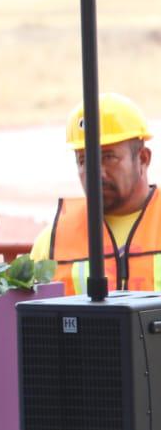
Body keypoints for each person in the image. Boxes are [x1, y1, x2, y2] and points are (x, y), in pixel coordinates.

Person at [29, 93, 161, 294]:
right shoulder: (51, 243)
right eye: (84, 160)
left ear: (143, 158)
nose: (96, 172)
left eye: (109, 157)